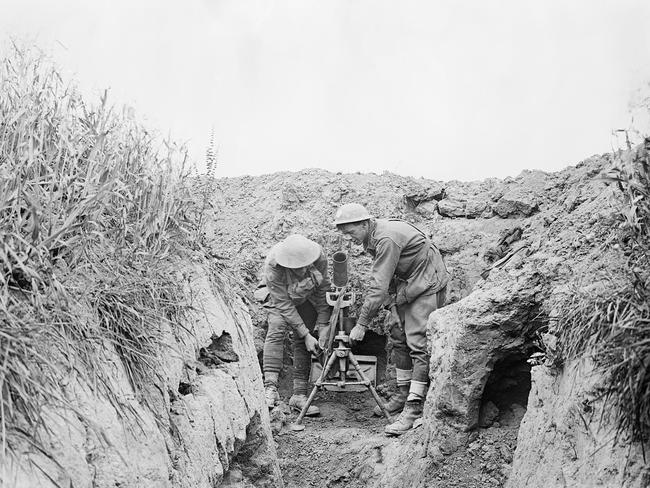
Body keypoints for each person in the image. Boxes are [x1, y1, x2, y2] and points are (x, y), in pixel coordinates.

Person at [333, 203, 450, 435]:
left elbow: (378, 287)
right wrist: (392, 306)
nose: (348, 238)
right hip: (407, 282)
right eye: (344, 233)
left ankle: (414, 407)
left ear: (364, 224)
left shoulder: (386, 238)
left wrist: (362, 324)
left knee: (417, 341)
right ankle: (402, 392)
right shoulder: (373, 237)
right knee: (397, 333)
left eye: (351, 231)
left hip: (426, 281)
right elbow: (390, 276)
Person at [260, 234, 331, 415]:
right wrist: (306, 334)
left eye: (304, 267)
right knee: (277, 327)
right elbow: (283, 304)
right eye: (296, 269)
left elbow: (324, 290)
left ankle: (299, 395)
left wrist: (323, 325)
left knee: (303, 339)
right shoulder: (273, 267)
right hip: (280, 298)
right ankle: (270, 388)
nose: (301, 271)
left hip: (307, 296)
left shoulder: (318, 256)